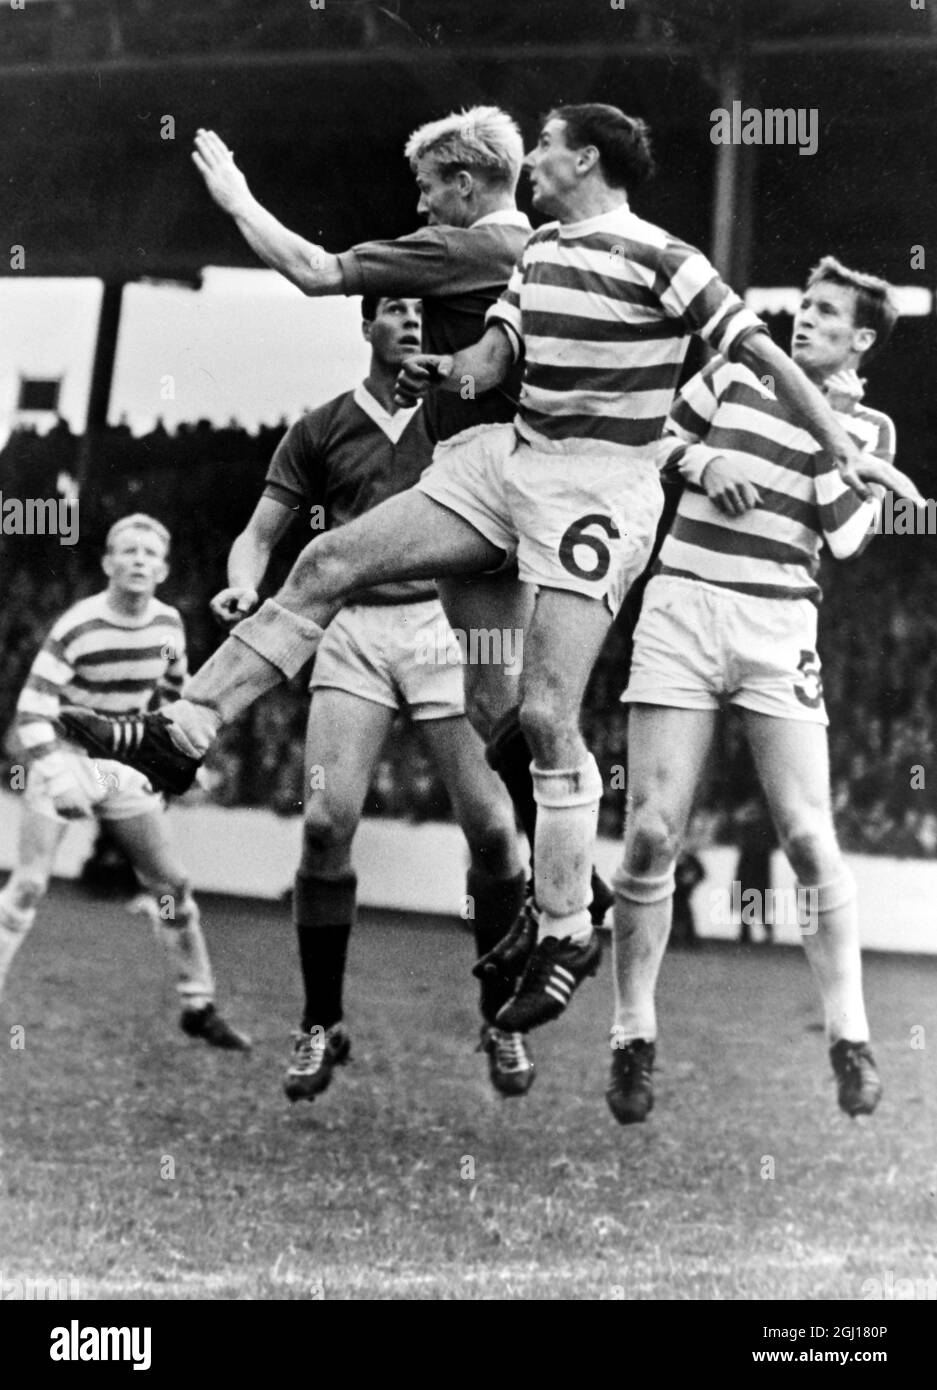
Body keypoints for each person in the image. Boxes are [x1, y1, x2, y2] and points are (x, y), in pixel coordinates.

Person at [60, 109, 919, 1041]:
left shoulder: (668, 260)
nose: (533, 162)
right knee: (326, 560)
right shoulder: (538, 250)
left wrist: (842, 447)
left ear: (582, 159)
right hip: (505, 461)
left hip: (599, 488)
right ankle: (184, 731)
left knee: (543, 713)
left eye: (545, 145)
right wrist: (450, 375)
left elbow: (755, 352)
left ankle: (563, 927)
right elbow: (496, 357)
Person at [605, 256, 904, 1125]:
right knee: (652, 831)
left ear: (859, 340)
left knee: (810, 837)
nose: (802, 320)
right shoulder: (734, 367)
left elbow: (845, 541)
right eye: (801, 306)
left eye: (825, 314)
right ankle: (632, 1037)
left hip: (777, 627)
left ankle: (848, 1034)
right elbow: (651, 438)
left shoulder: (871, 430)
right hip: (682, 606)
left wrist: (826, 425)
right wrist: (699, 465)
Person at [213, 295, 530, 1098]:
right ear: (366, 328)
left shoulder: (462, 418)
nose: (414, 322)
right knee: (326, 822)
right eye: (394, 309)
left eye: (424, 311)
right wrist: (243, 587)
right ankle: (321, 1023)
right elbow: (257, 534)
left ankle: (499, 1022)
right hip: (353, 629)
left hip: (444, 623)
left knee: (495, 831)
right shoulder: (320, 427)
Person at [0, 514, 249, 1050]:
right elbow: (32, 709)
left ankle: (198, 1003)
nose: (138, 560)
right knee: (29, 884)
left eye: (149, 553)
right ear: (107, 563)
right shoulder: (78, 626)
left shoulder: (168, 627)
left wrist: (183, 761)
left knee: (171, 887)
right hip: (65, 754)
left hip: (122, 764)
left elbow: (169, 702)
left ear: (162, 569)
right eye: (127, 550)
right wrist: (55, 773)